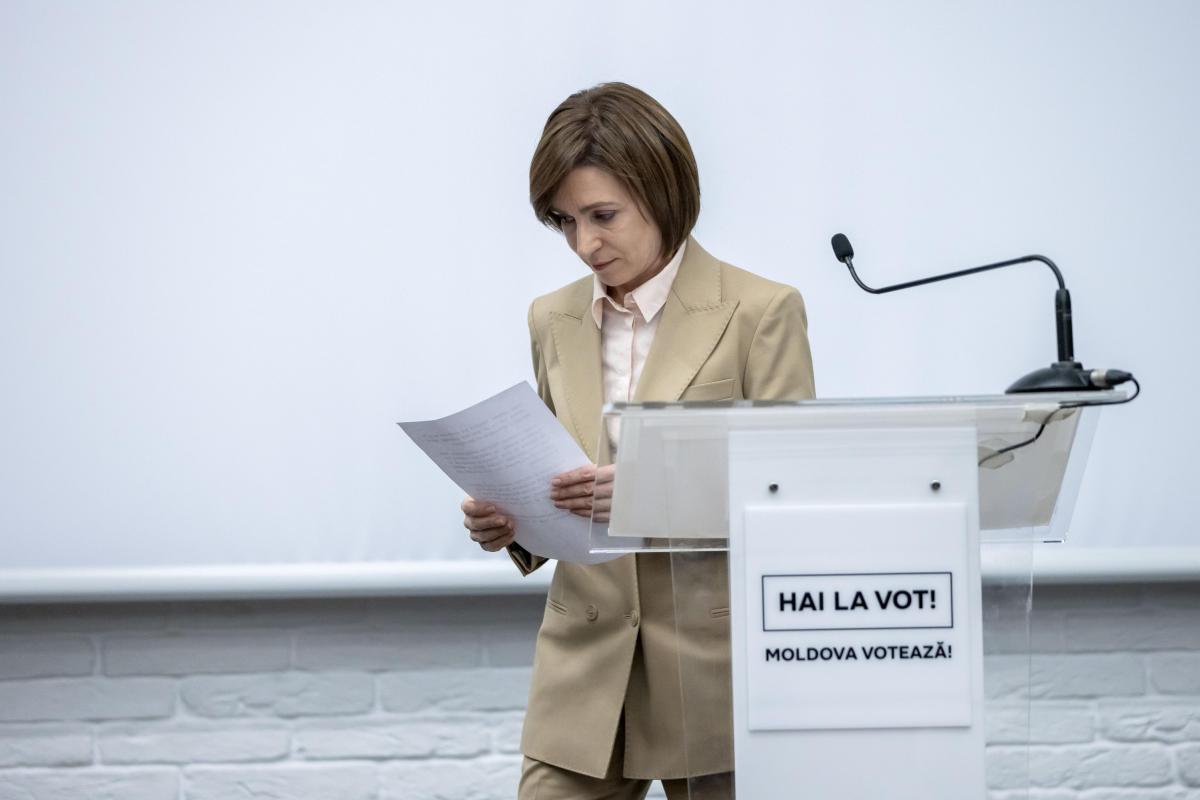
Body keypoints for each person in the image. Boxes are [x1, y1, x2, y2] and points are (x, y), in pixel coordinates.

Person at [461, 82, 815, 800]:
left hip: (713, 663)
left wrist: (652, 494)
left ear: (664, 191)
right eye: (564, 221)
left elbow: (794, 491)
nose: (584, 244)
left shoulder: (760, 311)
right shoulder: (550, 318)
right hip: (582, 661)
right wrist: (512, 521)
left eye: (603, 216)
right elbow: (557, 469)